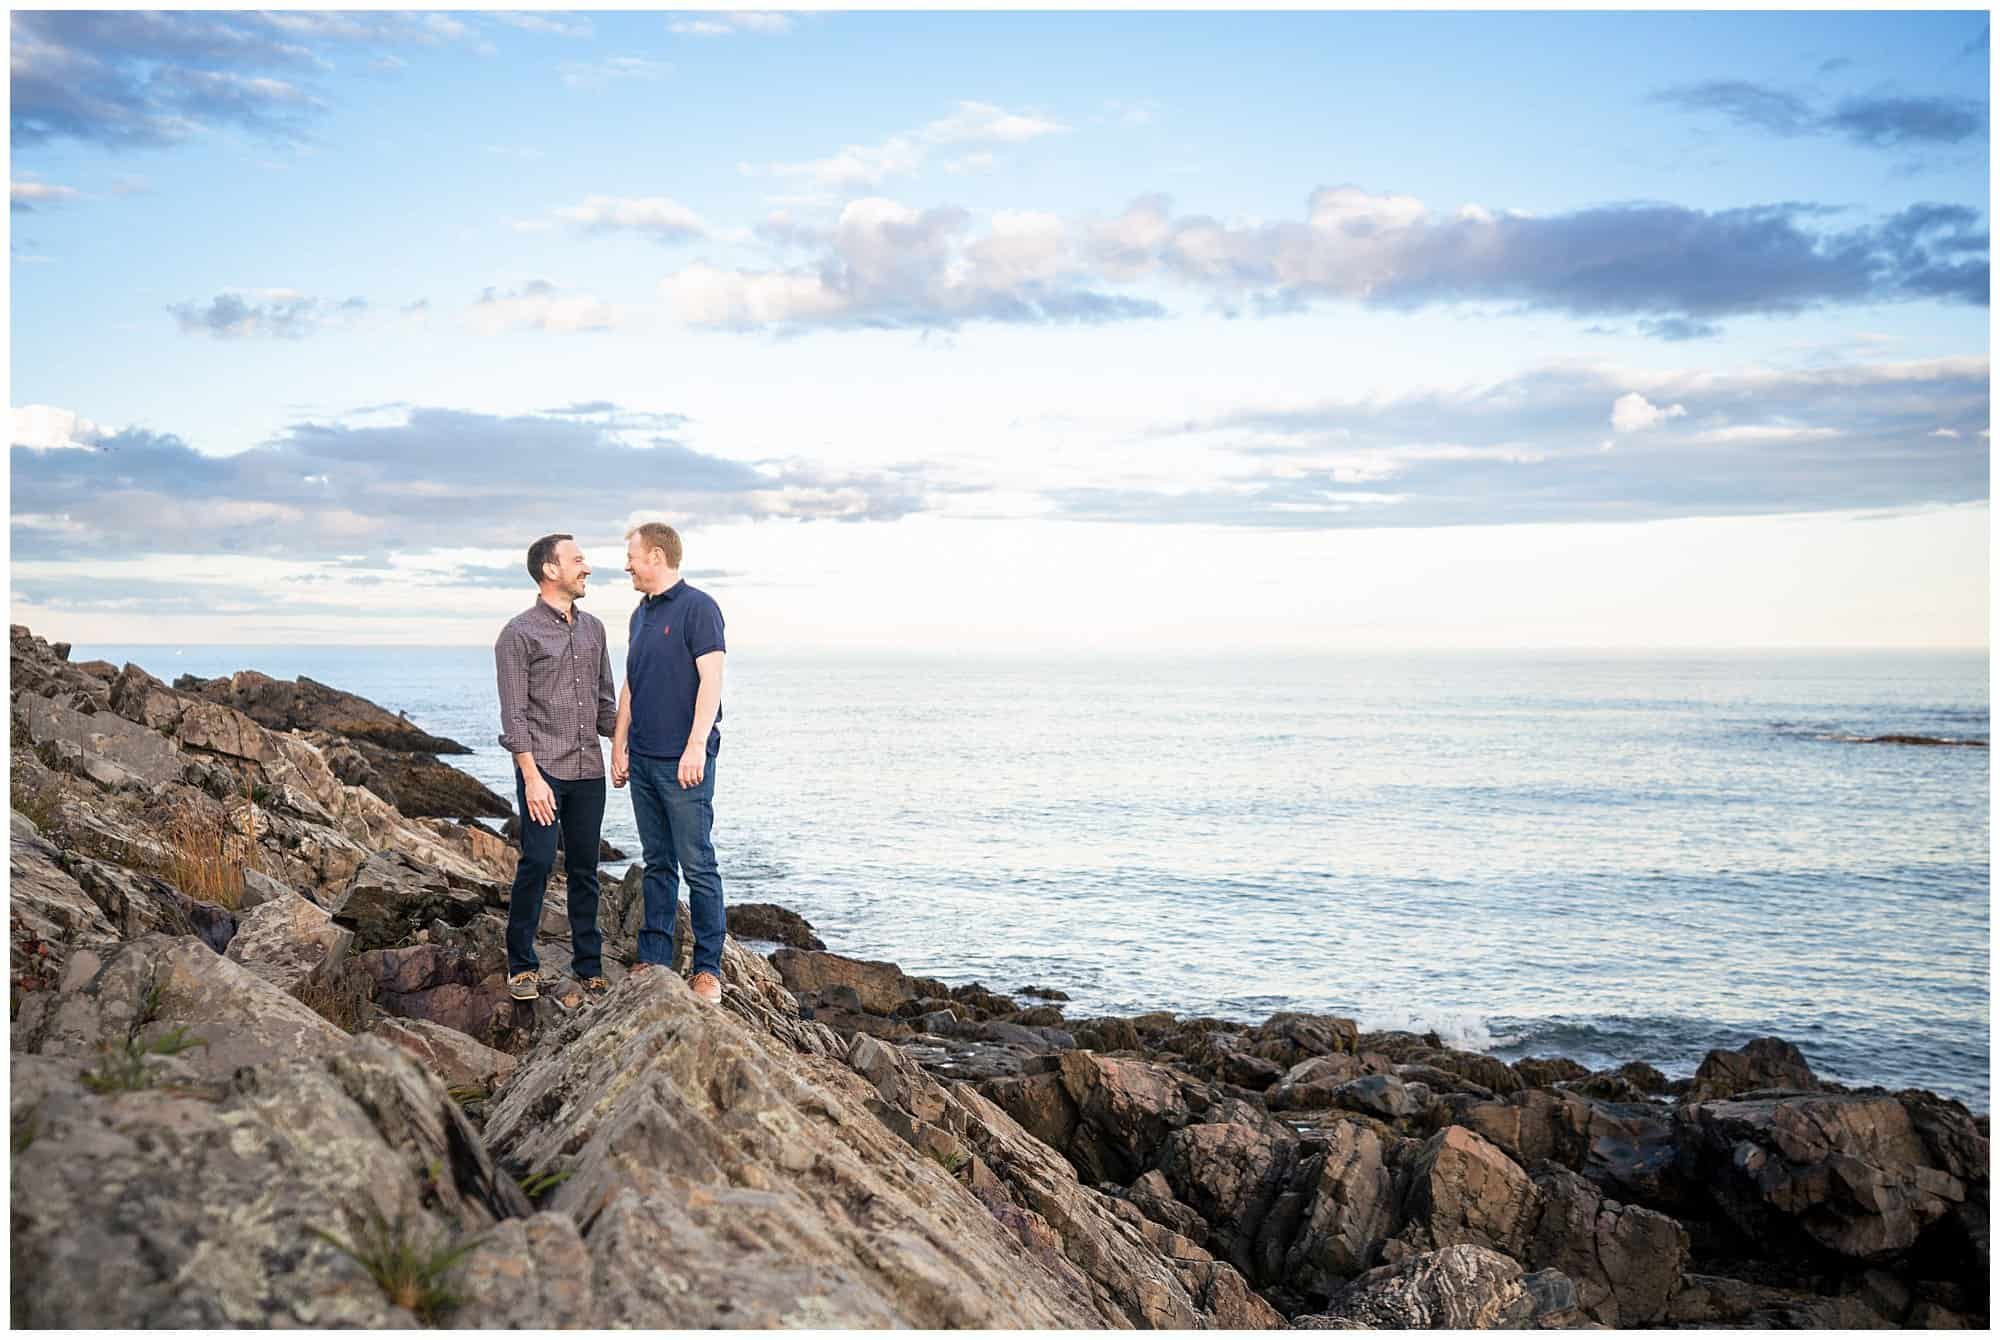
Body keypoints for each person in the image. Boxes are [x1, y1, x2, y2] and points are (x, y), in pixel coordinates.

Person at [495, 533, 618, 1003]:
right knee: (538, 862)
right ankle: (521, 963)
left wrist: (624, 745)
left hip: (590, 769)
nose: (587, 568)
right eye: (578, 560)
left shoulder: (595, 630)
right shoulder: (518, 634)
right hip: (543, 769)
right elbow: (514, 716)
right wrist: (531, 779)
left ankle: (589, 964)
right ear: (550, 570)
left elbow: (605, 701)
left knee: (587, 869)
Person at [612, 520, 727, 1006]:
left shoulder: (699, 608)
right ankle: (654, 958)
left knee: (697, 864)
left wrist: (696, 745)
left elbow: (712, 680)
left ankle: (707, 970)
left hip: (684, 762)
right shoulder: (640, 614)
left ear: (656, 556)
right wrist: (618, 745)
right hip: (642, 758)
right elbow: (632, 684)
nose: (628, 565)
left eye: (633, 556)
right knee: (657, 862)